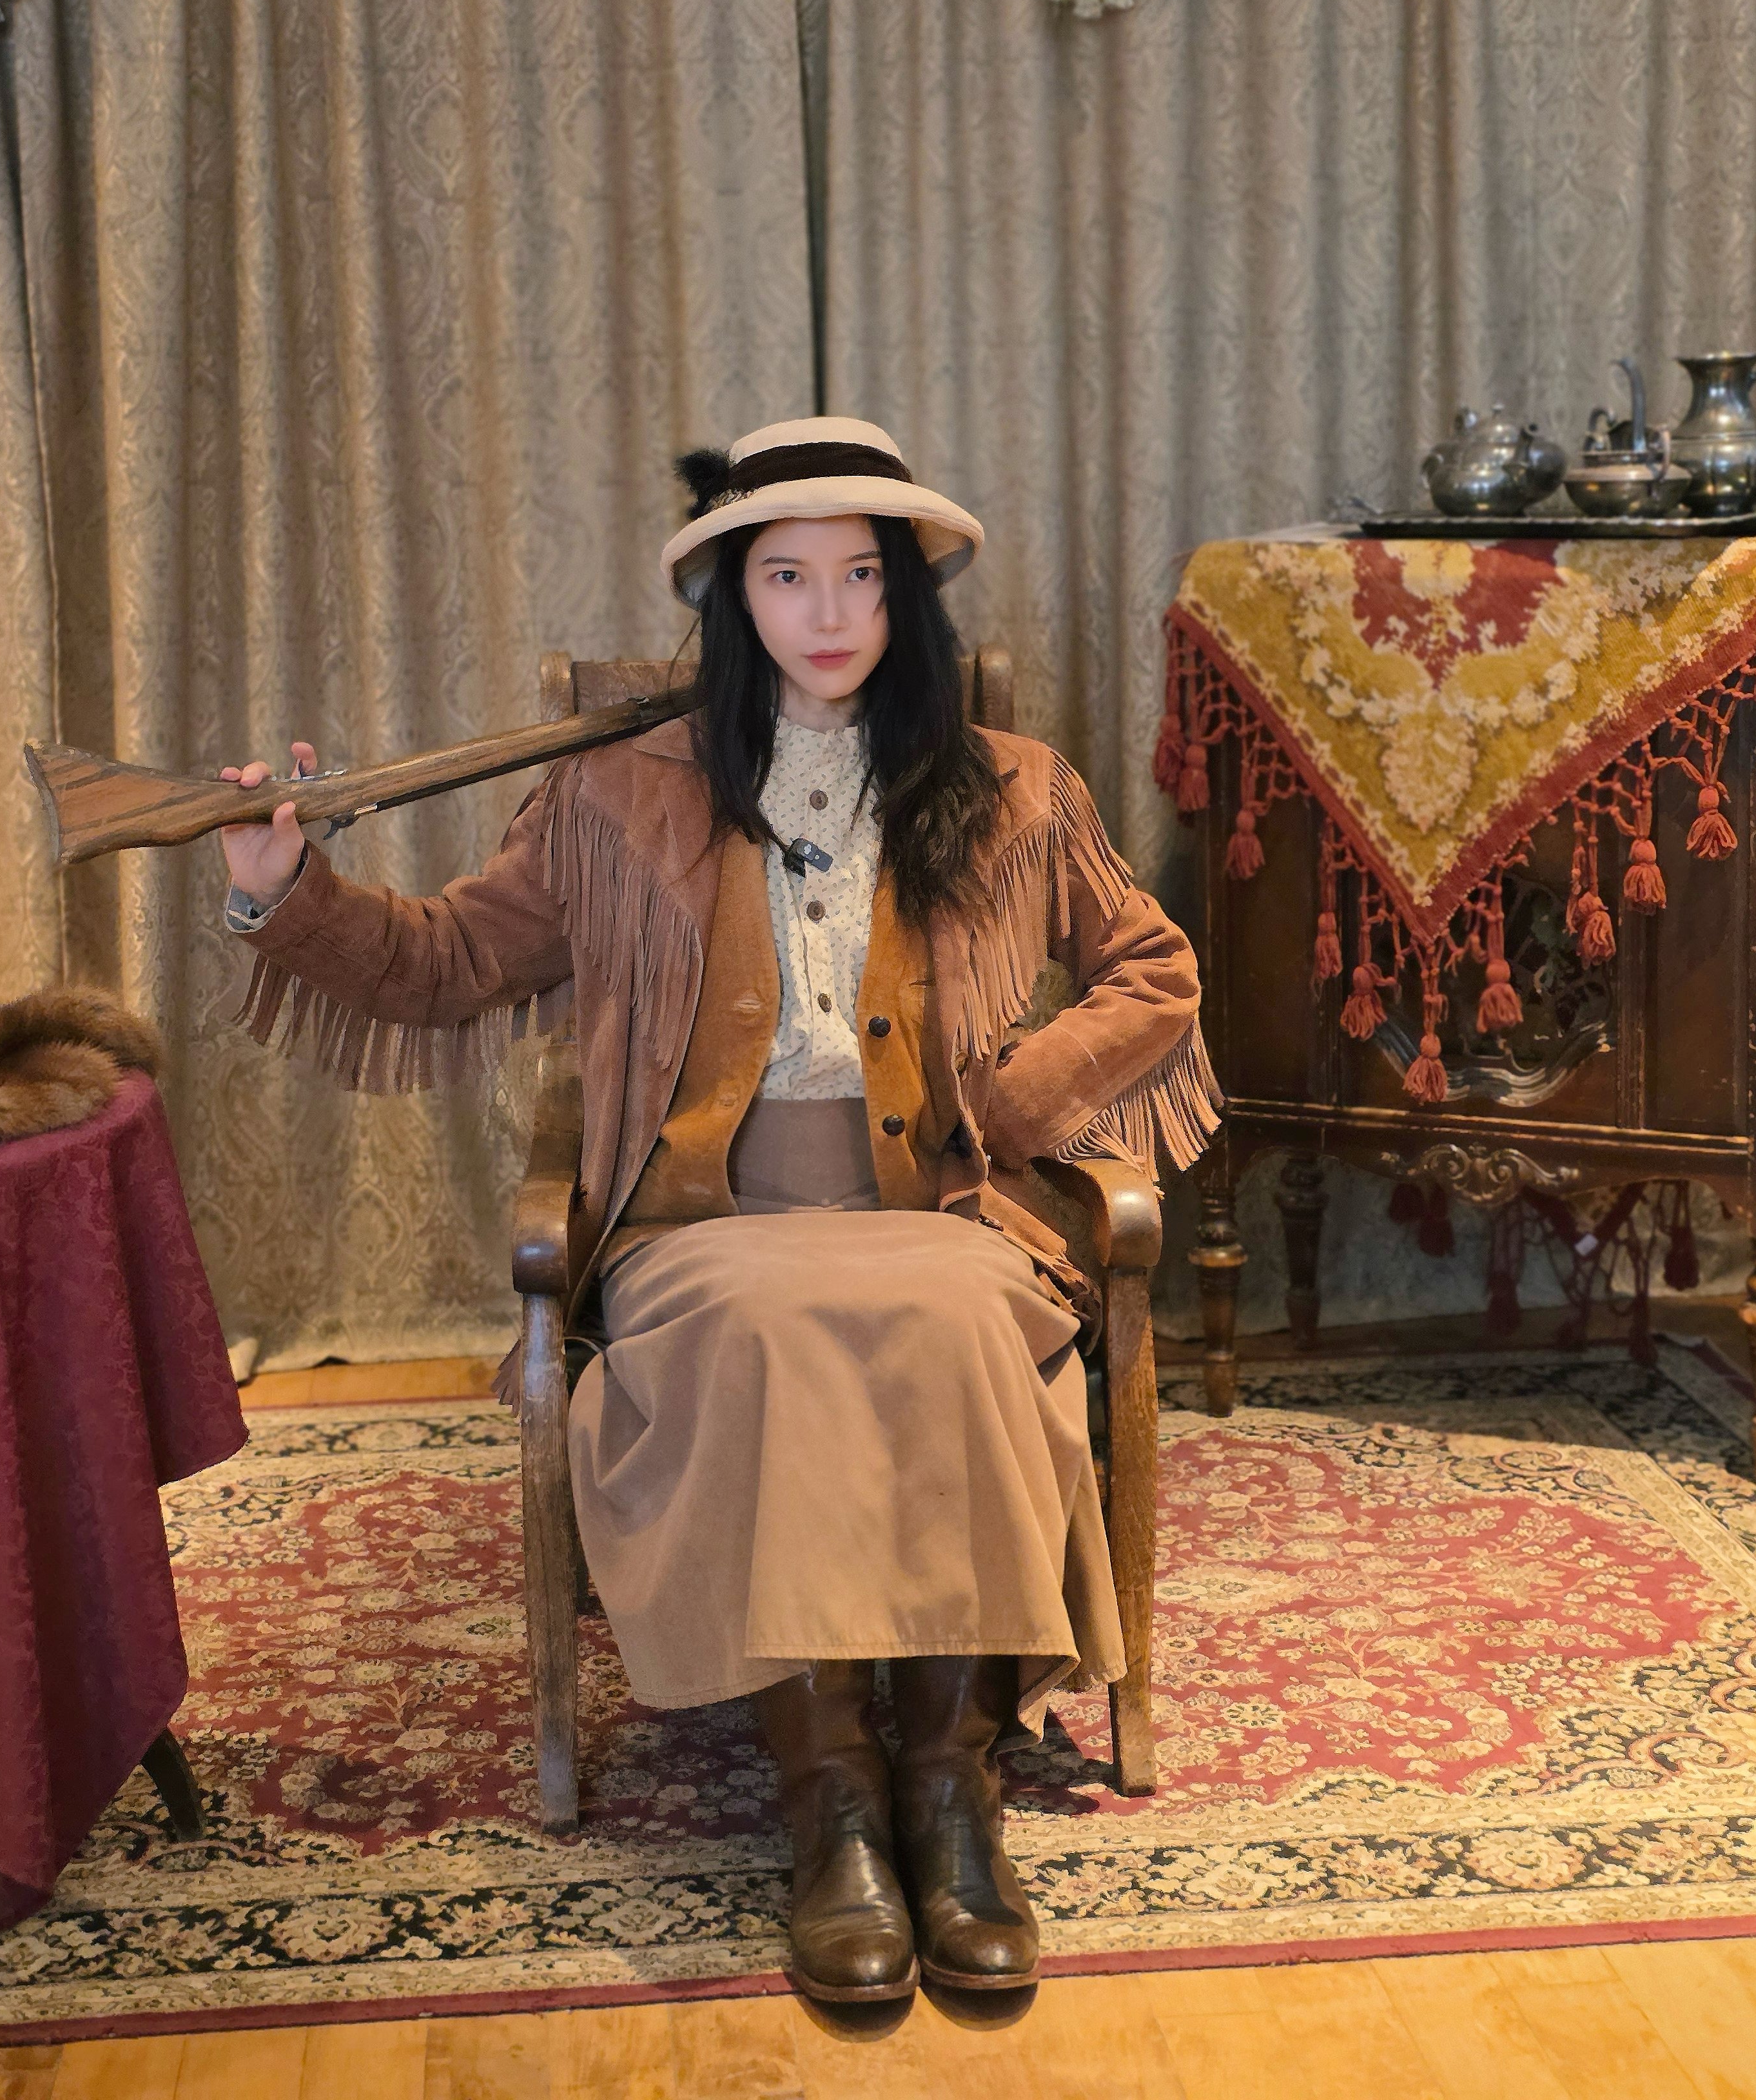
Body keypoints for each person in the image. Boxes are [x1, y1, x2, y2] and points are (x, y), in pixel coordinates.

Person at [217, 415, 1217, 2003]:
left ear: (906, 596)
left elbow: (1153, 967)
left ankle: (949, 1785)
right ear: (736, 598)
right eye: (788, 575)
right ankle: (833, 1799)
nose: (828, 611)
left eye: (861, 575)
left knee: (963, 1309)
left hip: (945, 1212)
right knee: (762, 1318)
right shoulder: (618, 795)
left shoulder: (1011, 784)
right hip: (704, 1230)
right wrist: (283, 886)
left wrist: (1021, 1101)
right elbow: (450, 960)